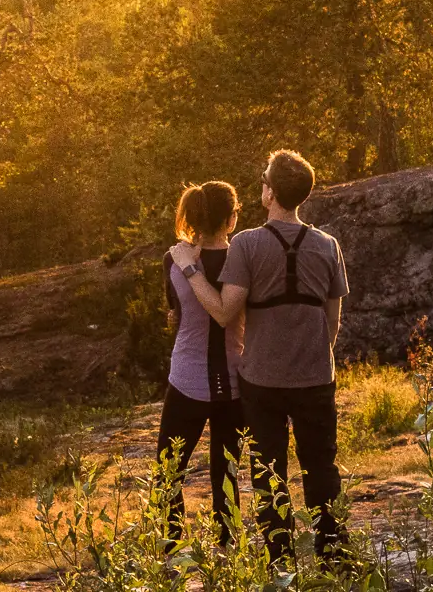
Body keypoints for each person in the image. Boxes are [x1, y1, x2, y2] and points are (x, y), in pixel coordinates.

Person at [172, 149, 347, 563]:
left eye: (264, 180)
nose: (262, 186)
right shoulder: (328, 245)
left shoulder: (248, 245)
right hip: (316, 378)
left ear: (270, 194)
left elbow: (222, 311)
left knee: (270, 476)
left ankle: (280, 562)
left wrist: (190, 269)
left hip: (262, 382)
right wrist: (310, 361)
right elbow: (332, 324)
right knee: (321, 470)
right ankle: (334, 558)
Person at [156, 180, 245, 546]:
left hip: (186, 381)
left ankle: (171, 550)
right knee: (225, 473)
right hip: (236, 382)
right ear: (232, 218)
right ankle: (227, 551)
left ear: (192, 217)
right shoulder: (243, 260)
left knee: (168, 472)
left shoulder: (173, 260)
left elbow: (175, 315)